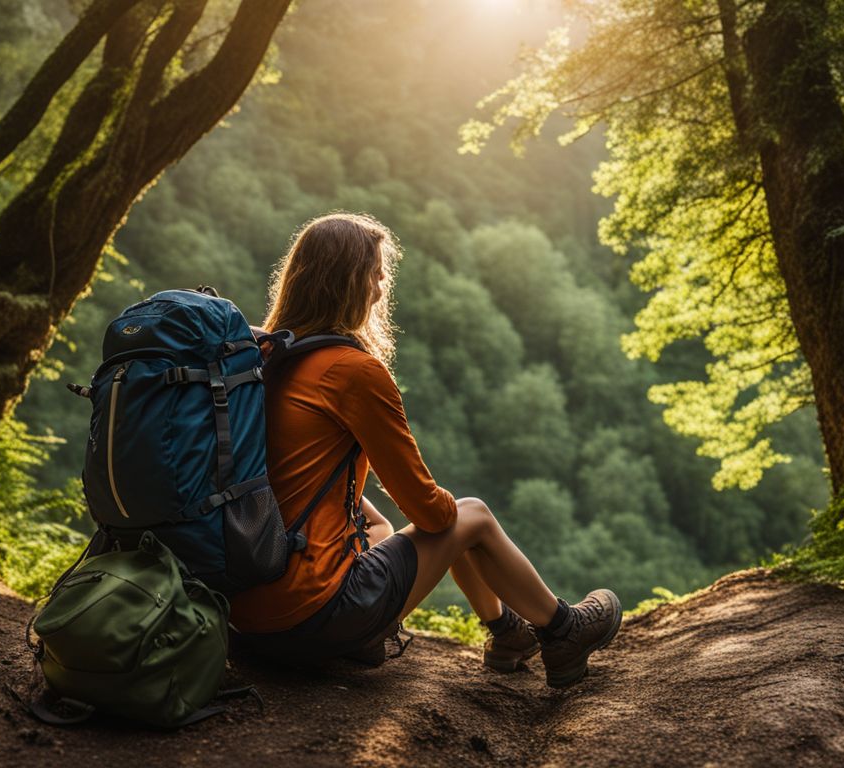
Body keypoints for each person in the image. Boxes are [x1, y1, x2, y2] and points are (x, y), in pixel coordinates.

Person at [230, 212, 620, 688]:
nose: (381, 286)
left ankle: (508, 633)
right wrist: (444, 510)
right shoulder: (352, 371)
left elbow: (284, 476)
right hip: (312, 620)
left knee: (379, 524)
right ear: (351, 282)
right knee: (465, 513)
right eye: (376, 273)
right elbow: (434, 517)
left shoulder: (264, 360)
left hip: (248, 621)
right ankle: (563, 631)